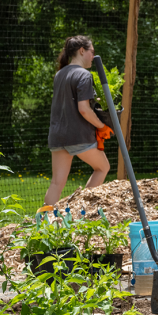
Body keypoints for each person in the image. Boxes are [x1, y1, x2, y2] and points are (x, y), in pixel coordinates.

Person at [45, 35, 111, 206]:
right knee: (103, 167)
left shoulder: (59, 74)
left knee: (56, 183)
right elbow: (84, 109)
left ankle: (44, 224)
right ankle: (80, 213)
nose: (93, 56)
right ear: (82, 51)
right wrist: (102, 126)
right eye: (92, 52)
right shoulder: (84, 75)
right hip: (78, 136)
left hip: (57, 136)